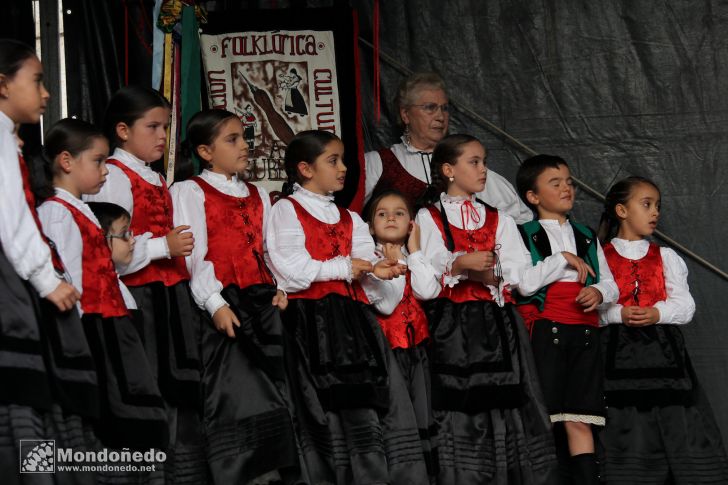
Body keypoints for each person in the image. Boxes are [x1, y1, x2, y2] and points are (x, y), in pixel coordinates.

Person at [266, 130, 429, 484]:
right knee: (321, 408)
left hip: (355, 326)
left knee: (365, 408)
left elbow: (374, 288)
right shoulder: (285, 209)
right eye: (333, 161)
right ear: (305, 169)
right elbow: (289, 271)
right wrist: (345, 268)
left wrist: (383, 272)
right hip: (309, 324)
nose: (343, 168)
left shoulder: (350, 219)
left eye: (343, 160)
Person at [415, 134, 557, 484]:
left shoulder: (499, 219)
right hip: (452, 325)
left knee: (506, 399)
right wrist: (459, 263)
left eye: (484, 161)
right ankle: (464, 474)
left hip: (497, 322)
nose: (483, 169)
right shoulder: (430, 216)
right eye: (474, 162)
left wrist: (491, 271)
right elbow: (427, 273)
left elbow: (518, 272)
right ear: (448, 170)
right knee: (460, 402)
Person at [171, 109, 300, 484]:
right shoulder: (190, 190)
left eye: (244, 137)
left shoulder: (258, 194)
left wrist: (278, 288)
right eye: (232, 139)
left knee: (275, 389)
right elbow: (194, 256)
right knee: (236, 393)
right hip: (223, 304)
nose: (245, 145)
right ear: (205, 151)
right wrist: (215, 304)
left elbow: (267, 249)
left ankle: (276, 471)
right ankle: (243, 473)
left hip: (261, 304)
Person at [84, 85, 204, 481]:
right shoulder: (115, 178)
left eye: (166, 127)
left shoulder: (152, 177)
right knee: (148, 386)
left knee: (174, 390)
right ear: (122, 130)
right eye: (152, 127)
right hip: (142, 300)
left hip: (169, 297)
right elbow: (108, 254)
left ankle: (174, 473)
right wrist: (160, 247)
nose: (163, 136)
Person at [37, 118, 168, 453]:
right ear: (66, 162)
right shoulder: (56, 213)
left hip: (111, 323)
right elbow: (67, 277)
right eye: (97, 161)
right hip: (90, 327)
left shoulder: (82, 210)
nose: (106, 170)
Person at [0, 39, 96, 480]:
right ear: (2, 85)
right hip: (11, 278)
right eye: (37, 81)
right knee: (20, 384)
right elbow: (10, 216)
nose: (46, 93)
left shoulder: (8, 139)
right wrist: (46, 278)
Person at [596, 176, 728, 484]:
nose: (655, 212)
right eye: (646, 204)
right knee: (625, 419)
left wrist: (657, 312)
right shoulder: (600, 256)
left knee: (675, 417)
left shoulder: (665, 256)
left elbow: (686, 306)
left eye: (657, 206)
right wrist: (619, 314)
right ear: (621, 210)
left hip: (664, 354)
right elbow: (589, 310)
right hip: (615, 354)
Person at [513, 154, 619, 484]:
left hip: (584, 333)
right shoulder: (522, 234)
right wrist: (562, 259)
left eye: (569, 182)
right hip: (545, 331)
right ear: (532, 196)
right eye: (555, 183)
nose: (566, 188)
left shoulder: (586, 235)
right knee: (543, 414)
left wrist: (599, 293)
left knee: (580, 417)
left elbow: (611, 283)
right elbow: (524, 283)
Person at [363, 71, 532, 222]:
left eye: (444, 108)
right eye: (430, 107)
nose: (440, 116)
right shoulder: (377, 163)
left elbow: (519, 218)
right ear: (405, 114)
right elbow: (349, 218)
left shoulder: (468, 163)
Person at [365, 189, 441, 477]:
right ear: (371, 226)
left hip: (416, 349)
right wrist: (392, 263)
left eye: (399, 213)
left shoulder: (415, 257)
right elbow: (386, 305)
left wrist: (416, 251)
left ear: (411, 223)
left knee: (421, 409)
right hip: (386, 351)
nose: (391, 218)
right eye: (382, 214)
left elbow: (427, 290)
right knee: (395, 415)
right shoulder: (370, 260)